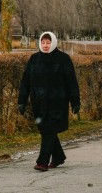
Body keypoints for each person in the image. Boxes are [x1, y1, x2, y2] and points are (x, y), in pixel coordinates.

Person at [18, 31, 81, 171]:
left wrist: (75, 101)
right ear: (39, 43)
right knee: (45, 129)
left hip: (57, 102)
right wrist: (21, 100)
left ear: (53, 43)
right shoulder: (34, 59)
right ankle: (58, 157)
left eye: (48, 42)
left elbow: (71, 81)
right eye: (43, 42)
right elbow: (25, 82)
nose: (45, 45)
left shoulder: (63, 59)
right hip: (38, 103)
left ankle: (42, 162)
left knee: (49, 129)